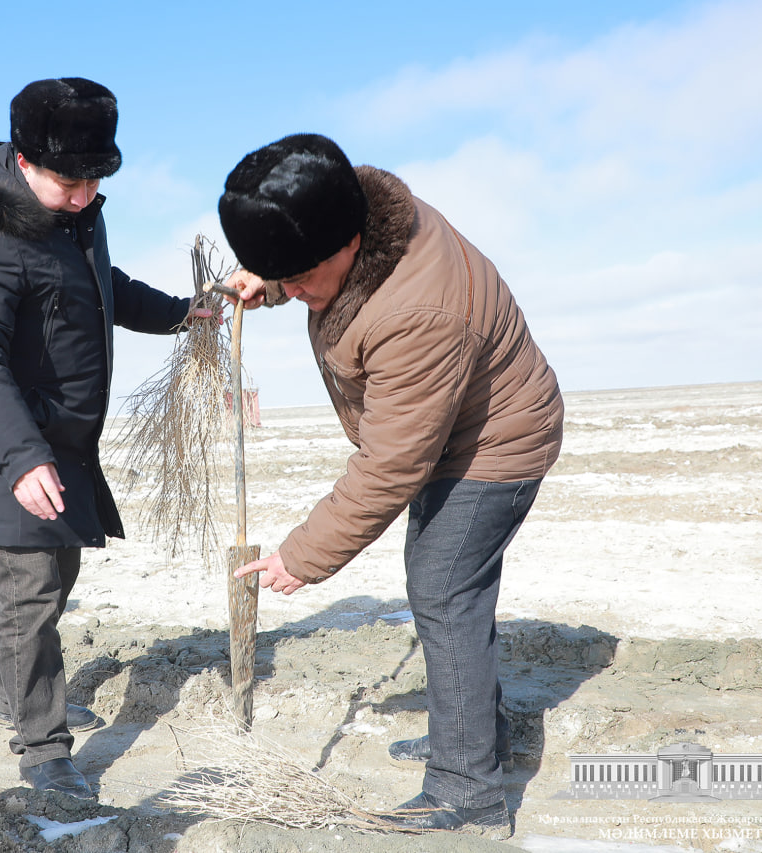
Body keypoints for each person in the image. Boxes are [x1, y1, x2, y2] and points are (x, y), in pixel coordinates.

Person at [217, 134, 563, 839]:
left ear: (346, 240)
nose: (297, 289)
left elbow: (391, 462)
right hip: (451, 435)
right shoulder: (357, 219)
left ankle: (467, 791)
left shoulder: (417, 308)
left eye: (300, 274)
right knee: (446, 588)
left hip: (495, 444)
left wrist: (301, 556)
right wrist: (273, 278)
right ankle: (468, 739)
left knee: (442, 587)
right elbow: (311, 267)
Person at [0, 77, 212, 800]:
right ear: (24, 161)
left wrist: (184, 314)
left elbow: (100, 286)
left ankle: (13, 692)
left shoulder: (75, 216)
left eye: (96, 177)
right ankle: (43, 749)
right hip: (6, 439)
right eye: (69, 179)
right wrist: (20, 456)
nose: (85, 193)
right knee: (29, 594)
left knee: (57, 581)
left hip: (64, 438)